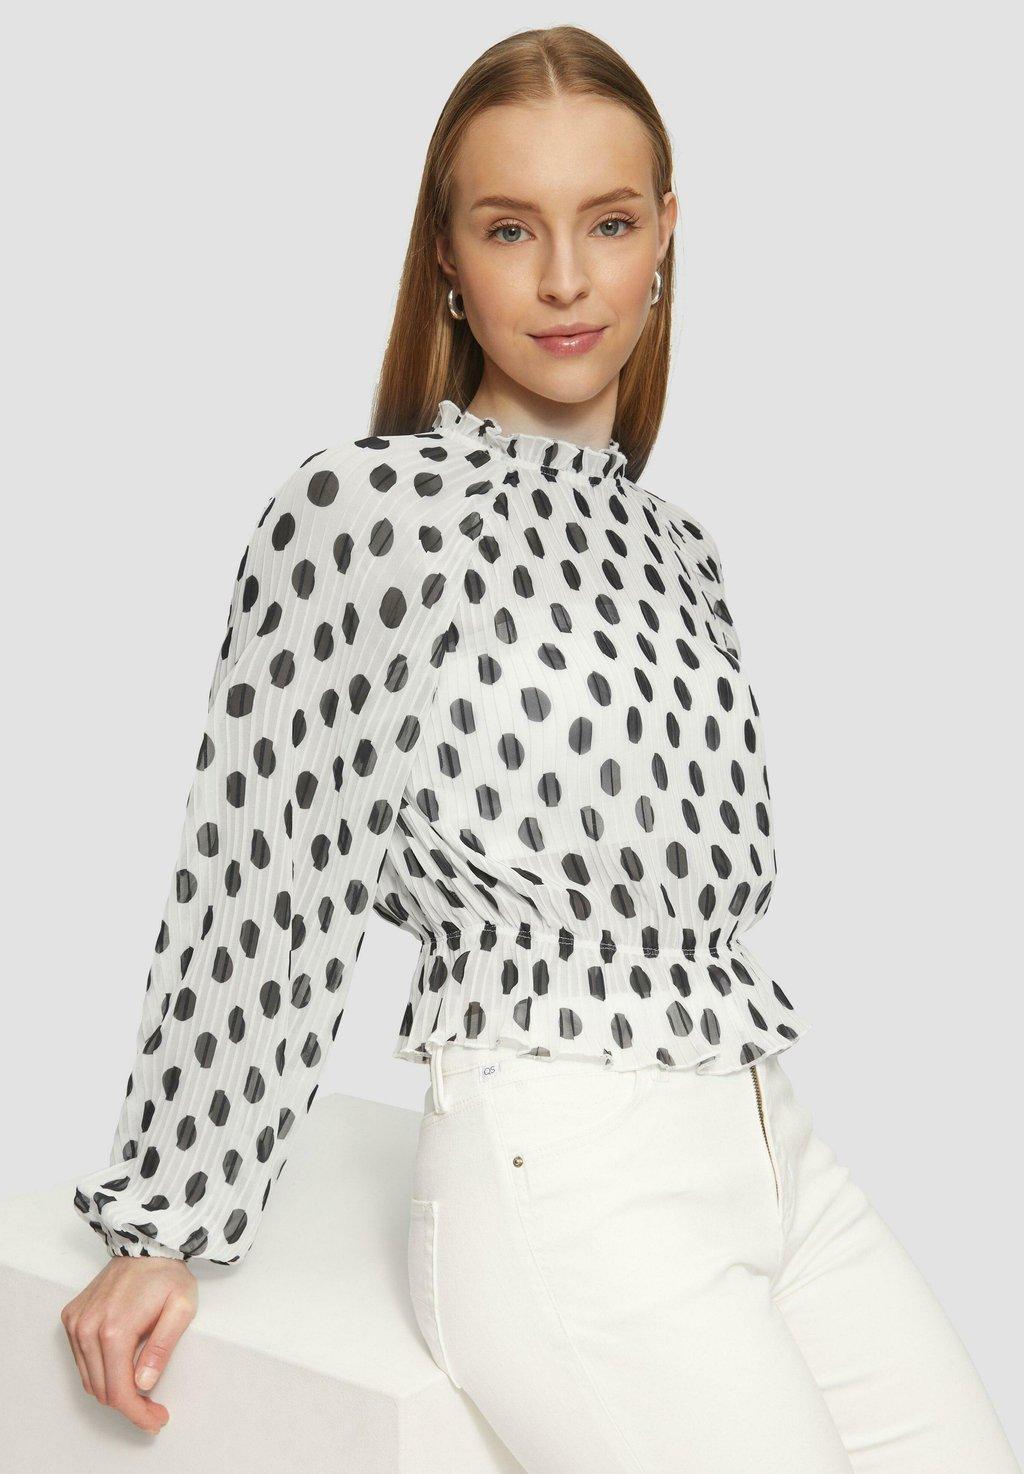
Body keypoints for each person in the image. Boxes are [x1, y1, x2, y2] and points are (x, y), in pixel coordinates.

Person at [60, 23, 1020, 1473]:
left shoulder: (682, 550)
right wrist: (167, 1222)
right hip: (565, 1164)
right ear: (447, 257)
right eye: (512, 228)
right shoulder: (367, 513)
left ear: (666, 236)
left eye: (609, 223)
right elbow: (266, 869)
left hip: (770, 1146)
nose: (566, 278)